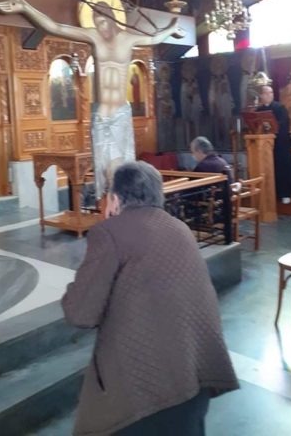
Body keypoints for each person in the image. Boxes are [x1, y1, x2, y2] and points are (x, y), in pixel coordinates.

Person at [62, 161, 238, 436]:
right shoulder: (180, 228)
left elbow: (80, 313)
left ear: (115, 199)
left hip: (144, 393)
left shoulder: (109, 233)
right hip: (196, 374)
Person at [0, 0, 183, 198]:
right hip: (104, 115)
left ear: (112, 19)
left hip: (123, 112)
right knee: (107, 169)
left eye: (102, 21)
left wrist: (171, 28)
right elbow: (55, 27)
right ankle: (112, 202)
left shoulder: (128, 38)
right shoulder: (94, 37)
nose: (100, 26)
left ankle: (124, 202)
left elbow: (153, 39)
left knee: (125, 165)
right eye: (96, 22)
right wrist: (25, 7)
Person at [257, 85, 291, 204]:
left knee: (282, 168)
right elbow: (256, 126)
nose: (269, 95)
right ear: (261, 95)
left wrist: (272, 129)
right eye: (266, 93)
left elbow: (284, 124)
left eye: (271, 93)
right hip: (265, 146)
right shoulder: (259, 110)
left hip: (280, 144)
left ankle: (286, 193)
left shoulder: (280, 108)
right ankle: (270, 194)